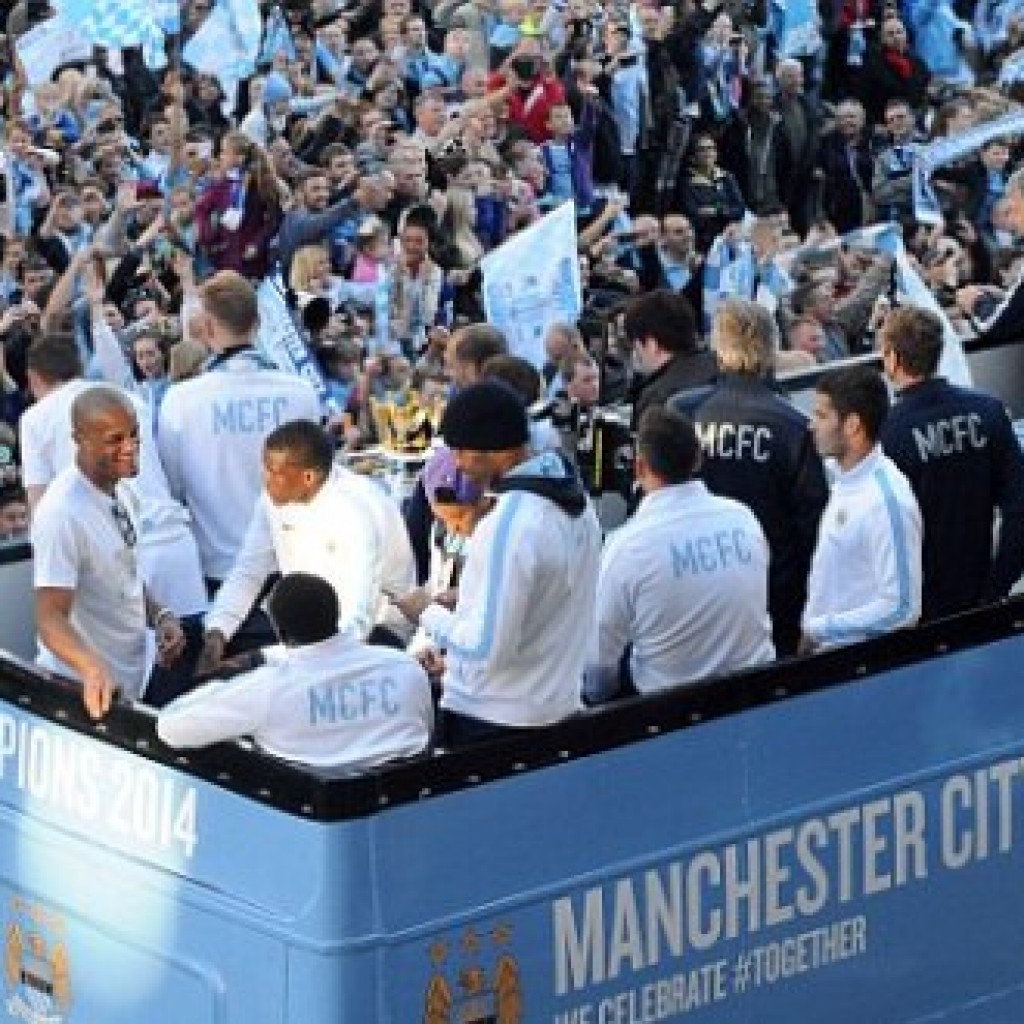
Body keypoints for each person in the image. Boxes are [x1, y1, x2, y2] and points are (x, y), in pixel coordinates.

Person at [416, 380, 601, 746]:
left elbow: (485, 648)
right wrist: (468, 597)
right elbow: (544, 601)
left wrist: (427, 612)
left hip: (494, 720)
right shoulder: (578, 505)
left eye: (459, 450)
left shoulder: (512, 521)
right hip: (554, 706)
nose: (455, 462)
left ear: (493, 448)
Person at [671, 299, 828, 656]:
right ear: (772, 349)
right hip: (773, 598)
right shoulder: (793, 427)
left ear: (718, 347)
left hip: (697, 591)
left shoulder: (682, 413)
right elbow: (812, 528)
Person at [587, 407, 773, 702]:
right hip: (757, 692)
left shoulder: (626, 548)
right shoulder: (743, 518)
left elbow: (599, 667)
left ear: (639, 467)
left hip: (669, 712)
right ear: (698, 458)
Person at [198, 420, 414, 670]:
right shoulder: (272, 500)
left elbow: (356, 624)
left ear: (308, 477)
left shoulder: (355, 512)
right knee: (198, 638)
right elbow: (248, 572)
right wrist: (217, 634)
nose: (264, 479)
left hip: (374, 634)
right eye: (264, 468)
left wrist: (260, 659)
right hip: (302, 628)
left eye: (273, 471)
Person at [158, 573, 433, 769]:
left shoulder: (267, 689)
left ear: (279, 631)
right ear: (336, 615)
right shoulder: (404, 667)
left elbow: (169, 728)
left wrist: (220, 686)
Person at [157, 271, 322, 584]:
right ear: (257, 323)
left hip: (221, 570)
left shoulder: (180, 400)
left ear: (206, 328)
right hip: (292, 564)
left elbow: (174, 489)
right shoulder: (301, 392)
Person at [31, 386, 186, 719]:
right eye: (115, 440)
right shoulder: (61, 514)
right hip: (82, 696)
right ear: (80, 439)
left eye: (134, 435)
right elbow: (49, 617)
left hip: (131, 684)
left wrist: (159, 616)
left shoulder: (124, 490)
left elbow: (121, 572)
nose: (130, 447)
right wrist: (91, 668)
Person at [879, 304, 1024, 620]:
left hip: (919, 607)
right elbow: (1018, 507)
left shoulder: (886, 432)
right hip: (982, 591)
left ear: (891, 358)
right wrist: (998, 586)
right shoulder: (988, 410)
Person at [802, 365, 923, 651]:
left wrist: (819, 629)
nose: (811, 425)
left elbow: (902, 609)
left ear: (853, 425)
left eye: (821, 416)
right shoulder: (840, 476)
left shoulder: (887, 501)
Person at [624, 289, 717, 429]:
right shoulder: (726, 369)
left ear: (651, 344)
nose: (635, 355)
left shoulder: (656, 397)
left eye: (636, 347)